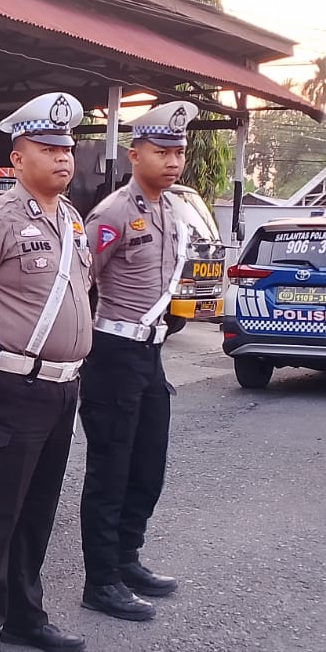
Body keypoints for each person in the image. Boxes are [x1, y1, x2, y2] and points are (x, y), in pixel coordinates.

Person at [0, 92, 93, 652]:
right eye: (48, 148)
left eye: (67, 148)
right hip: (8, 389)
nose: (62, 158)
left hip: (60, 391)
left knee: (36, 513)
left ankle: (24, 616)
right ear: (16, 158)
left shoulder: (72, 220)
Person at [77, 100, 198, 621]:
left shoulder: (170, 211)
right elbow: (77, 281)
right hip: (112, 353)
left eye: (179, 152)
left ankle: (128, 557)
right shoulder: (112, 213)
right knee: (111, 468)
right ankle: (101, 580)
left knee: (148, 466)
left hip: (150, 353)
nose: (172, 162)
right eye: (161, 151)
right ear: (134, 154)